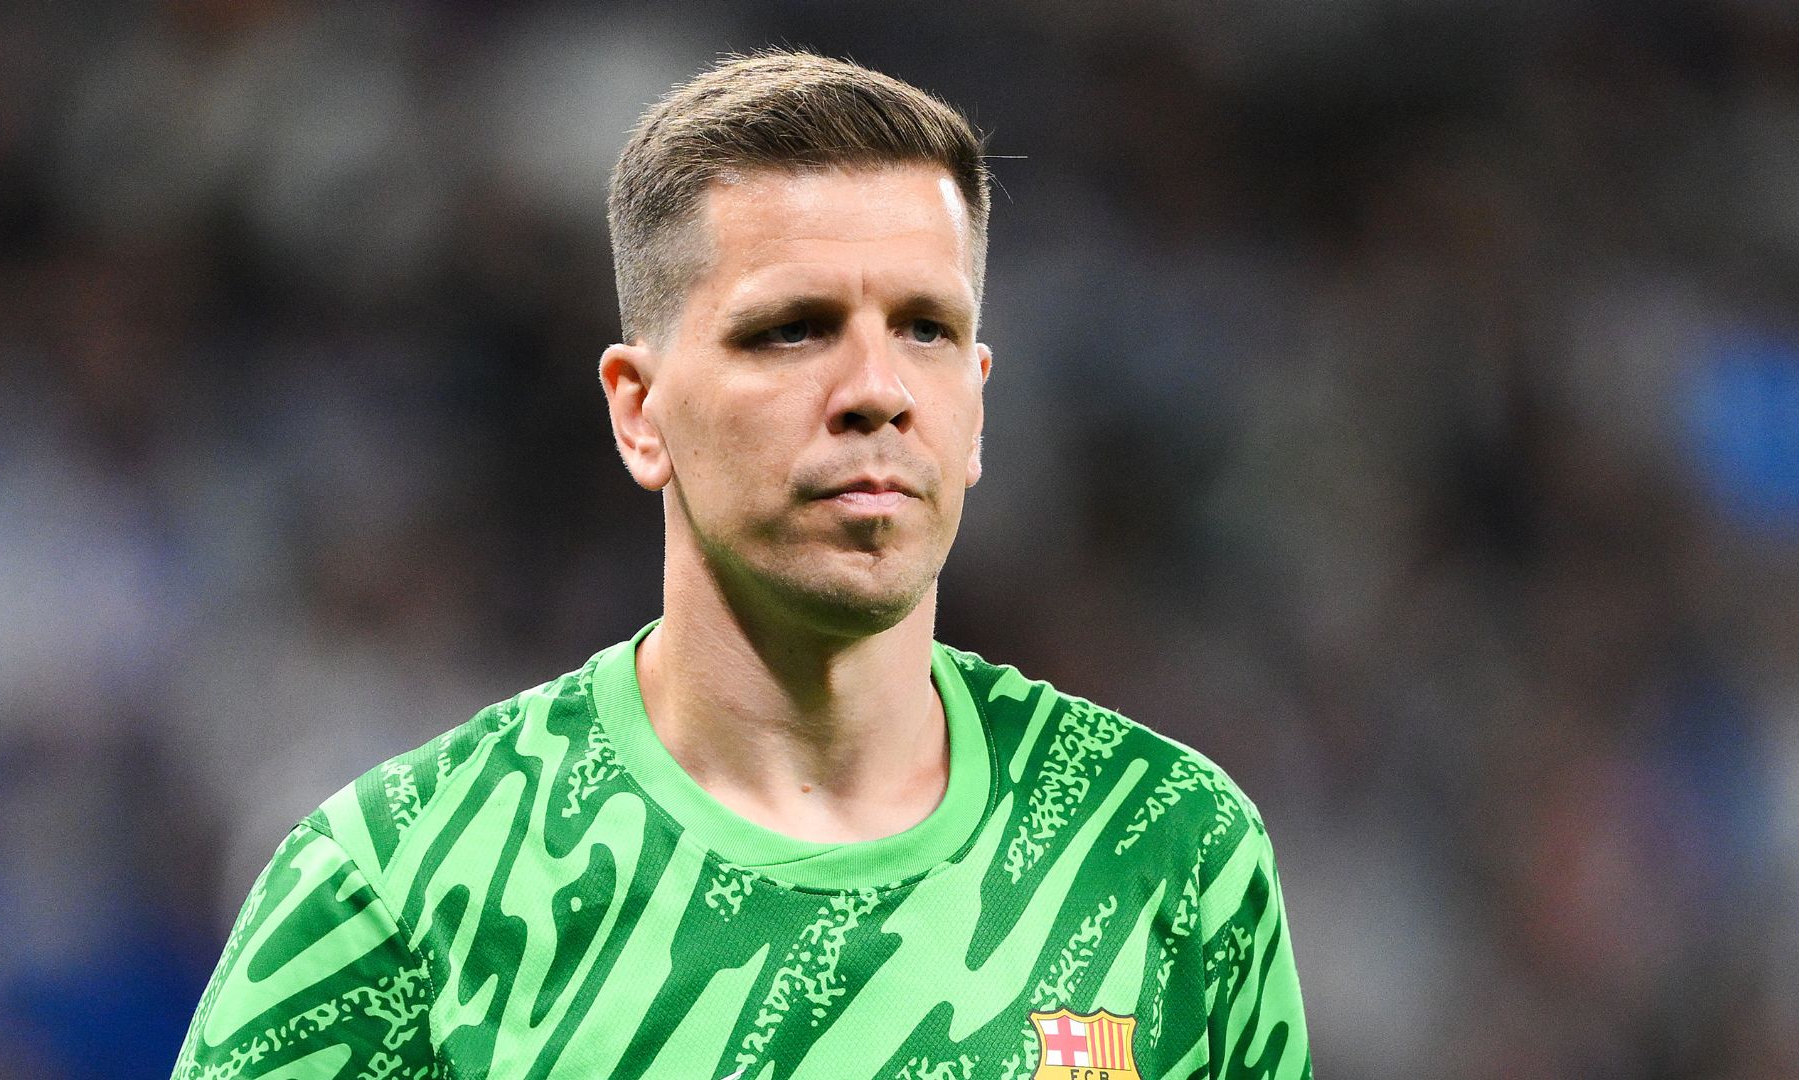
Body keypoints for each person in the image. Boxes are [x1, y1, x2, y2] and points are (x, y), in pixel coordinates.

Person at [172, 50, 1311, 1080]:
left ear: (976, 406)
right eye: (793, 328)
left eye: (925, 327)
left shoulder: (1169, 850)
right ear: (639, 411)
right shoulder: (400, 891)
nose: (877, 389)